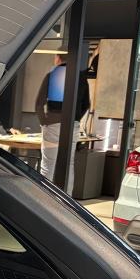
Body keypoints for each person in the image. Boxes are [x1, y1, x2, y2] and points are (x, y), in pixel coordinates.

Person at [34, 54, 90, 184]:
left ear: (58, 58)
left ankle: (43, 194)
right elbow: (86, 104)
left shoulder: (52, 75)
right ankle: (66, 195)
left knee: (48, 165)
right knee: (69, 165)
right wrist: (76, 119)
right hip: (72, 126)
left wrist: (44, 123)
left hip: (53, 124)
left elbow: (39, 103)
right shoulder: (81, 78)